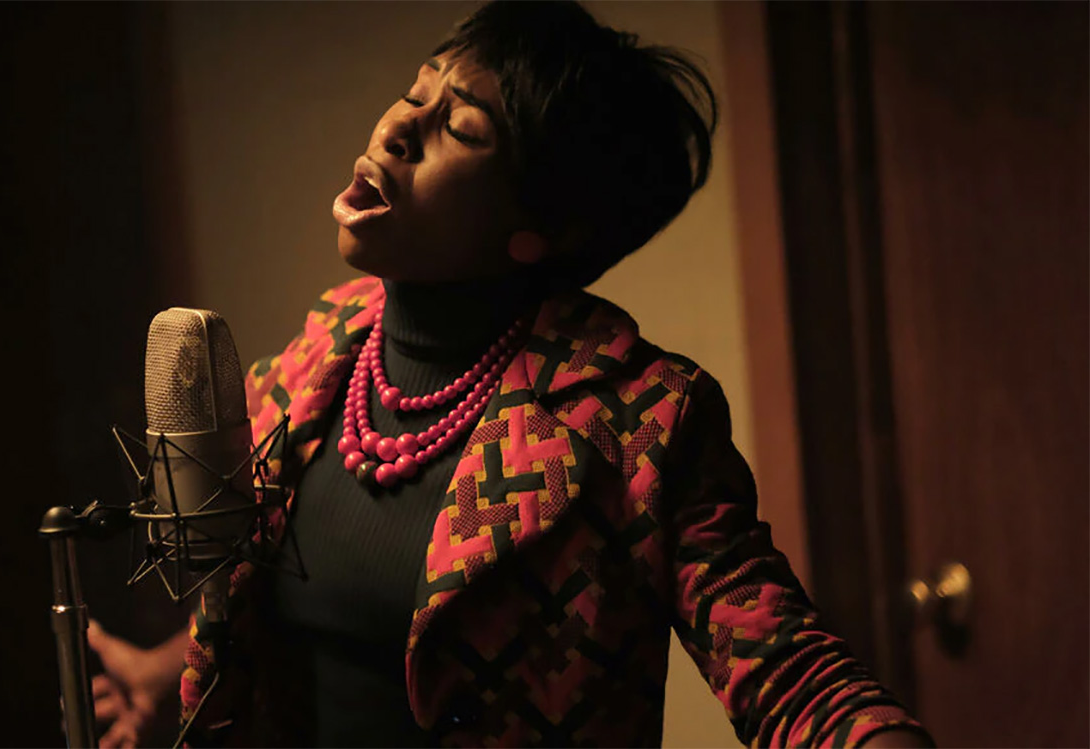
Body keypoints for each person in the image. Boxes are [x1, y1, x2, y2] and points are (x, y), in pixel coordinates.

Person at [89, 2, 933, 746]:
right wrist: (173, 675)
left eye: (460, 128)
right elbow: (323, 619)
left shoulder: (641, 420)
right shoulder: (313, 359)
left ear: (539, 227)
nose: (398, 128)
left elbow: (782, 663)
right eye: (416, 91)